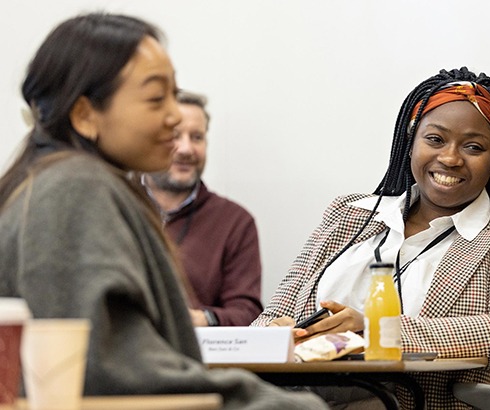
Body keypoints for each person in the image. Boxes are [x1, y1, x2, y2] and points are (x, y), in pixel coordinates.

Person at [0, 13, 325, 409]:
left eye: (175, 94)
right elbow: (115, 372)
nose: (174, 116)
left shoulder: (64, 181)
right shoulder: (74, 190)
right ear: (85, 115)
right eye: (157, 98)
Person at [251, 67, 490, 409]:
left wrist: (375, 332)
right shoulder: (346, 213)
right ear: (411, 141)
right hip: (299, 396)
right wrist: (278, 333)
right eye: (435, 139)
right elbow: (271, 315)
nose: (450, 158)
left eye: (473, 147)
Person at [143, 90, 263, 327]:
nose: (186, 149)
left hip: (199, 358)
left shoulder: (235, 222)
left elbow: (248, 313)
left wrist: (201, 319)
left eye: (196, 137)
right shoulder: (115, 206)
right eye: (175, 136)